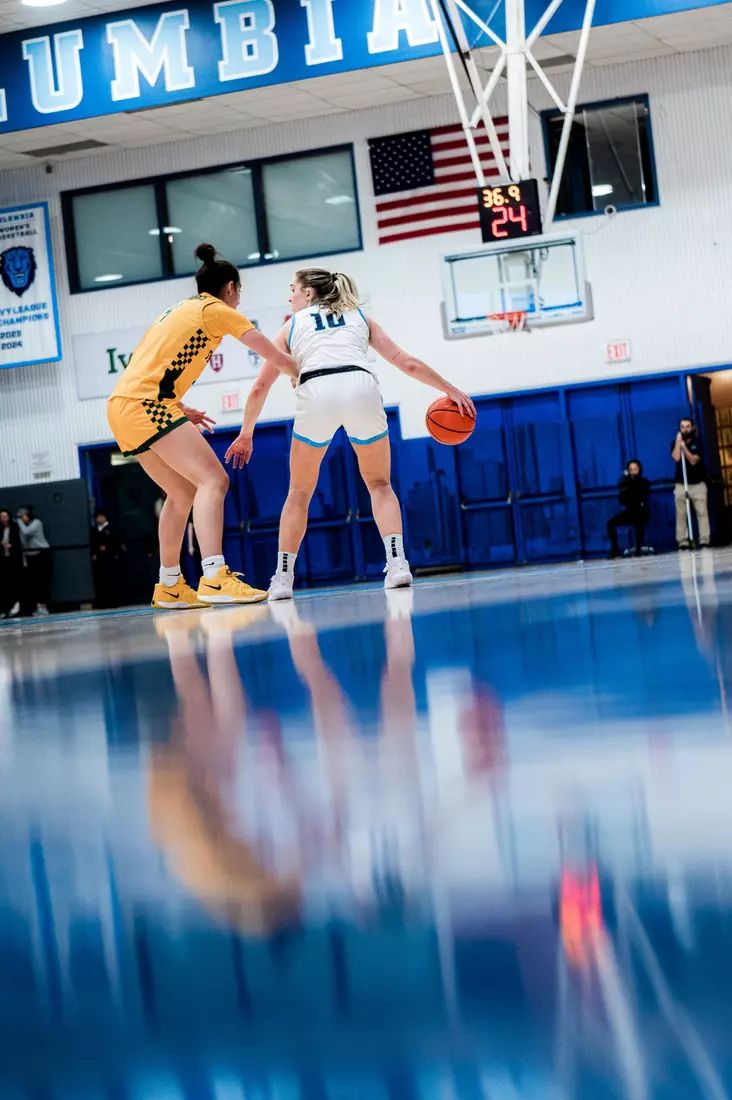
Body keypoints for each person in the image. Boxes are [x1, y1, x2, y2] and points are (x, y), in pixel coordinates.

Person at [226, 268, 475, 600]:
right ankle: (398, 564)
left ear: (309, 294)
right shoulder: (360, 316)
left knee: (299, 492)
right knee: (380, 484)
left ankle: (282, 580)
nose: (290, 297)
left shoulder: (291, 325)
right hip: (361, 386)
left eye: (293, 290)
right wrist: (449, 388)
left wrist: (246, 433)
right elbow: (406, 363)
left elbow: (260, 387)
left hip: (316, 389)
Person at [107, 243, 297, 610]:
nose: (239, 299)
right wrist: (299, 373)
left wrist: (178, 405)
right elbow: (270, 352)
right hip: (147, 406)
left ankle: (169, 585)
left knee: (181, 492)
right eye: (239, 292)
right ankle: (214, 576)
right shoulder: (216, 310)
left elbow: (145, 363)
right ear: (231, 288)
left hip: (124, 407)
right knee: (214, 480)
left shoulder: (180, 309)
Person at [671, 418, 709, 549]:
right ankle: (682, 541)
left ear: (692, 428)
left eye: (687, 427)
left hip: (697, 483)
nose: (685, 429)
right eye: (682, 427)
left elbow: (693, 460)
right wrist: (678, 442)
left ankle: (704, 540)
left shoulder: (698, 442)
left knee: (702, 513)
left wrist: (684, 448)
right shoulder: (675, 442)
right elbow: (676, 457)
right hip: (681, 484)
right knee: (680, 514)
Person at [607, 460, 650, 558]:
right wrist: (626, 484)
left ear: (639, 470)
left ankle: (638, 549)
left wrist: (631, 488)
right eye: (631, 470)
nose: (633, 472)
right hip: (630, 511)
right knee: (610, 524)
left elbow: (642, 496)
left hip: (642, 511)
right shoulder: (625, 483)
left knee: (639, 521)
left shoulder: (644, 482)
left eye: (635, 469)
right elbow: (622, 500)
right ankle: (615, 550)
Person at [17, 507, 52, 616]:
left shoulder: (37, 523)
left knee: (43, 581)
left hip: (42, 553)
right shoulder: (22, 527)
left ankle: (44, 606)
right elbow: (23, 540)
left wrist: (19, 521)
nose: (23, 518)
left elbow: (27, 532)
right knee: (34, 582)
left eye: (24, 515)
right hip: (30, 555)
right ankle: (37, 606)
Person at [90, 509, 123, 609]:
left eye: (101, 516)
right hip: (100, 560)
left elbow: (117, 542)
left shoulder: (112, 529)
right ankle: (103, 602)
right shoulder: (94, 530)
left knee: (112, 580)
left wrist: (108, 548)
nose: (99, 519)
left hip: (110, 558)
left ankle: (114, 601)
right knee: (101, 581)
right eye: (97, 517)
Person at [0, 509, 22, 618]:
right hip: (3, 559)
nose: (4, 519)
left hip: (13, 559)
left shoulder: (14, 527)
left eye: (6, 516)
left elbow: (18, 542)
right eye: (2, 517)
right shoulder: (0, 529)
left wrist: (11, 546)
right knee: (4, 584)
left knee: (14, 582)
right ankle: (4, 609)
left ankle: (16, 604)